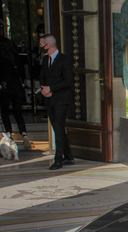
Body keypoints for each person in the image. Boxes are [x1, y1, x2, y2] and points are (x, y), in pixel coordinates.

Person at [39, 34, 74, 170]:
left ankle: (58, 159)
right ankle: (69, 156)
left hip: (62, 99)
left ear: (48, 45)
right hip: (49, 99)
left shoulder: (65, 60)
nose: (40, 47)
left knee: (59, 128)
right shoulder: (45, 59)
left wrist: (51, 88)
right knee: (57, 128)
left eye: (42, 45)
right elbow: (42, 75)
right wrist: (44, 89)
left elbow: (68, 80)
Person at [0, 34, 31, 149]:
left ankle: (9, 136)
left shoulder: (1, 58)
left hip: (5, 88)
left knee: (5, 112)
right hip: (17, 87)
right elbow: (22, 73)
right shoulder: (16, 57)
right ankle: (24, 134)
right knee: (18, 112)